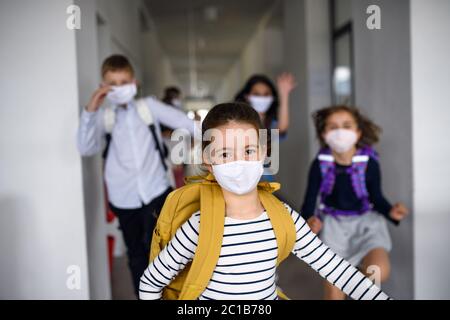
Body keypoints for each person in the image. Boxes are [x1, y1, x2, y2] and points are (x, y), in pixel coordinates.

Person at [139, 102, 391, 300]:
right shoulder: (199, 225)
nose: (239, 162)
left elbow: (338, 271)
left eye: (248, 151)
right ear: (208, 161)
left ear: (263, 152)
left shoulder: (283, 218)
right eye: (225, 153)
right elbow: (151, 282)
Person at [77, 54, 195, 297]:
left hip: (156, 190)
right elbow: (85, 147)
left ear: (134, 82)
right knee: (136, 253)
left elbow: (185, 122)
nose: (119, 88)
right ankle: (145, 295)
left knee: (162, 247)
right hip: (124, 196)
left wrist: (221, 135)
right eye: (113, 83)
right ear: (103, 86)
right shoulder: (102, 117)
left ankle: (169, 293)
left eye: (124, 82)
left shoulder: (148, 107)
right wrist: (91, 109)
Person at [300, 105, 408, 300]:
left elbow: (376, 197)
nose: (340, 131)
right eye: (333, 127)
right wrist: (309, 220)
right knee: (334, 289)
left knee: (378, 272)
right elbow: (309, 201)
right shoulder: (319, 164)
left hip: (367, 225)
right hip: (334, 229)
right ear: (324, 134)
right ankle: (345, 277)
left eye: (347, 125)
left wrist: (391, 212)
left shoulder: (369, 163)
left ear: (358, 132)